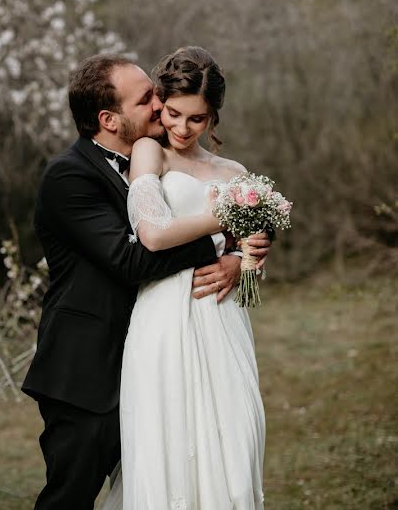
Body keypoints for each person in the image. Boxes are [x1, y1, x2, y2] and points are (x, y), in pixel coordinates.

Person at [21, 53, 271, 509]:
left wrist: (240, 253)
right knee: (70, 498)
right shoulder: (69, 176)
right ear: (109, 119)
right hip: (88, 371)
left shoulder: (154, 157)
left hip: (167, 349)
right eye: (148, 100)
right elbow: (130, 259)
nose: (159, 106)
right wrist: (221, 239)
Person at [100, 46, 266, 509]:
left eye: (198, 119)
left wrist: (243, 258)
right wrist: (225, 217)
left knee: (236, 438)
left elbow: (250, 250)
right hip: (165, 317)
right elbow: (152, 234)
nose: (182, 128)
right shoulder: (150, 152)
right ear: (160, 101)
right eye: (174, 113)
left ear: (213, 118)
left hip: (223, 317)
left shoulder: (233, 173)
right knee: (171, 442)